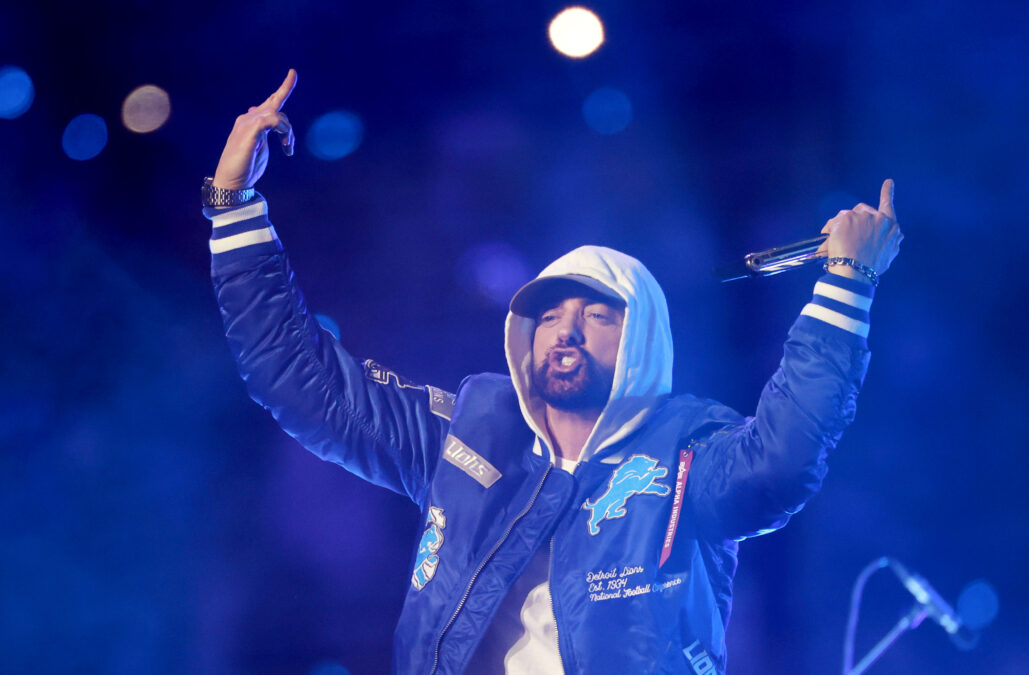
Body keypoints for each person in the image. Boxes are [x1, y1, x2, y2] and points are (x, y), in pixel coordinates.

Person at [203, 70, 902, 674]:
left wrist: (845, 283)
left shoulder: (688, 448)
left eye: (596, 315)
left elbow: (782, 463)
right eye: (548, 313)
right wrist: (234, 207)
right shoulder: (474, 429)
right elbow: (302, 383)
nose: (564, 329)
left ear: (642, 341)